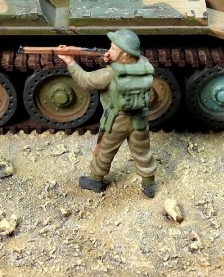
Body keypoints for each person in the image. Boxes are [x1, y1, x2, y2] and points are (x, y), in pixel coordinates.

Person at [57, 29, 158, 198]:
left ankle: (96, 180)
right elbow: (127, 65)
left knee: (105, 150)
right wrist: (113, 59)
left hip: (117, 120)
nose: (109, 51)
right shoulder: (144, 63)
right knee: (142, 151)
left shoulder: (109, 74)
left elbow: (86, 81)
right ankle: (149, 184)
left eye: (113, 49)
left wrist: (70, 62)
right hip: (140, 119)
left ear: (125, 55)